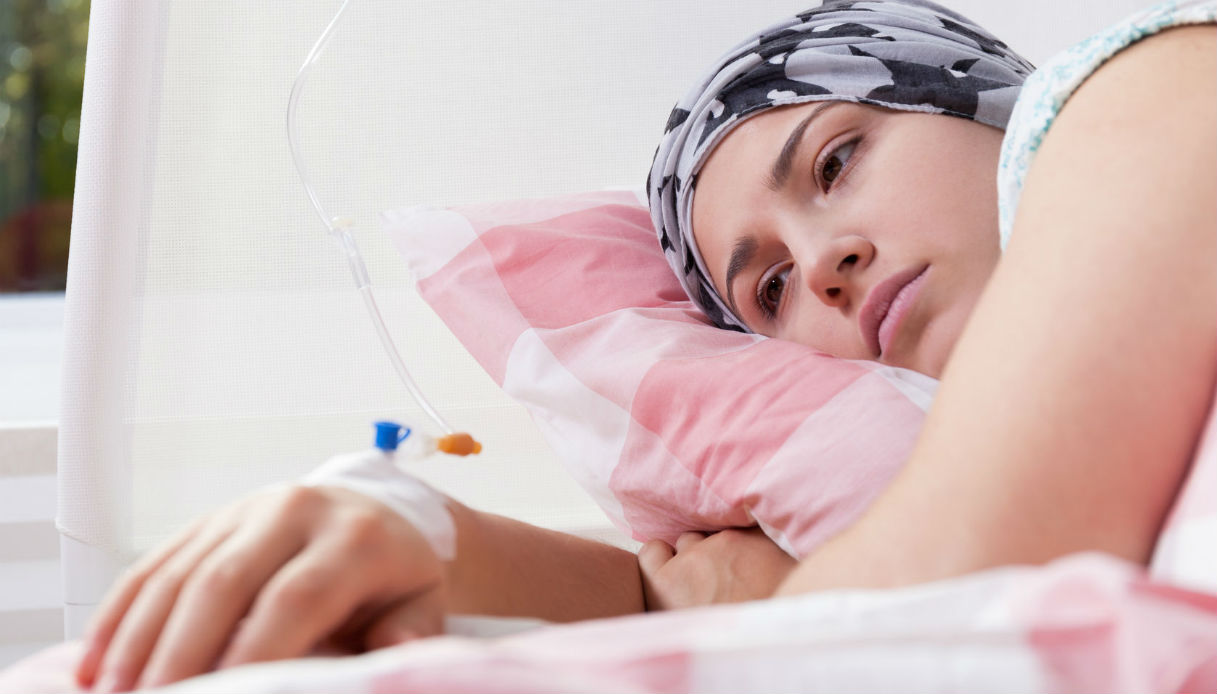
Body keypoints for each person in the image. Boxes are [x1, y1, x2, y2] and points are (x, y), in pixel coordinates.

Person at [68, 1, 1215, 691]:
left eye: (834, 161)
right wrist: (424, 530)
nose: (821, 264)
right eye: (769, 288)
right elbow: (667, 590)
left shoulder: (1148, 83)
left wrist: (771, 598)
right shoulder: (915, 464)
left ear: (977, 100)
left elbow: (958, 578)